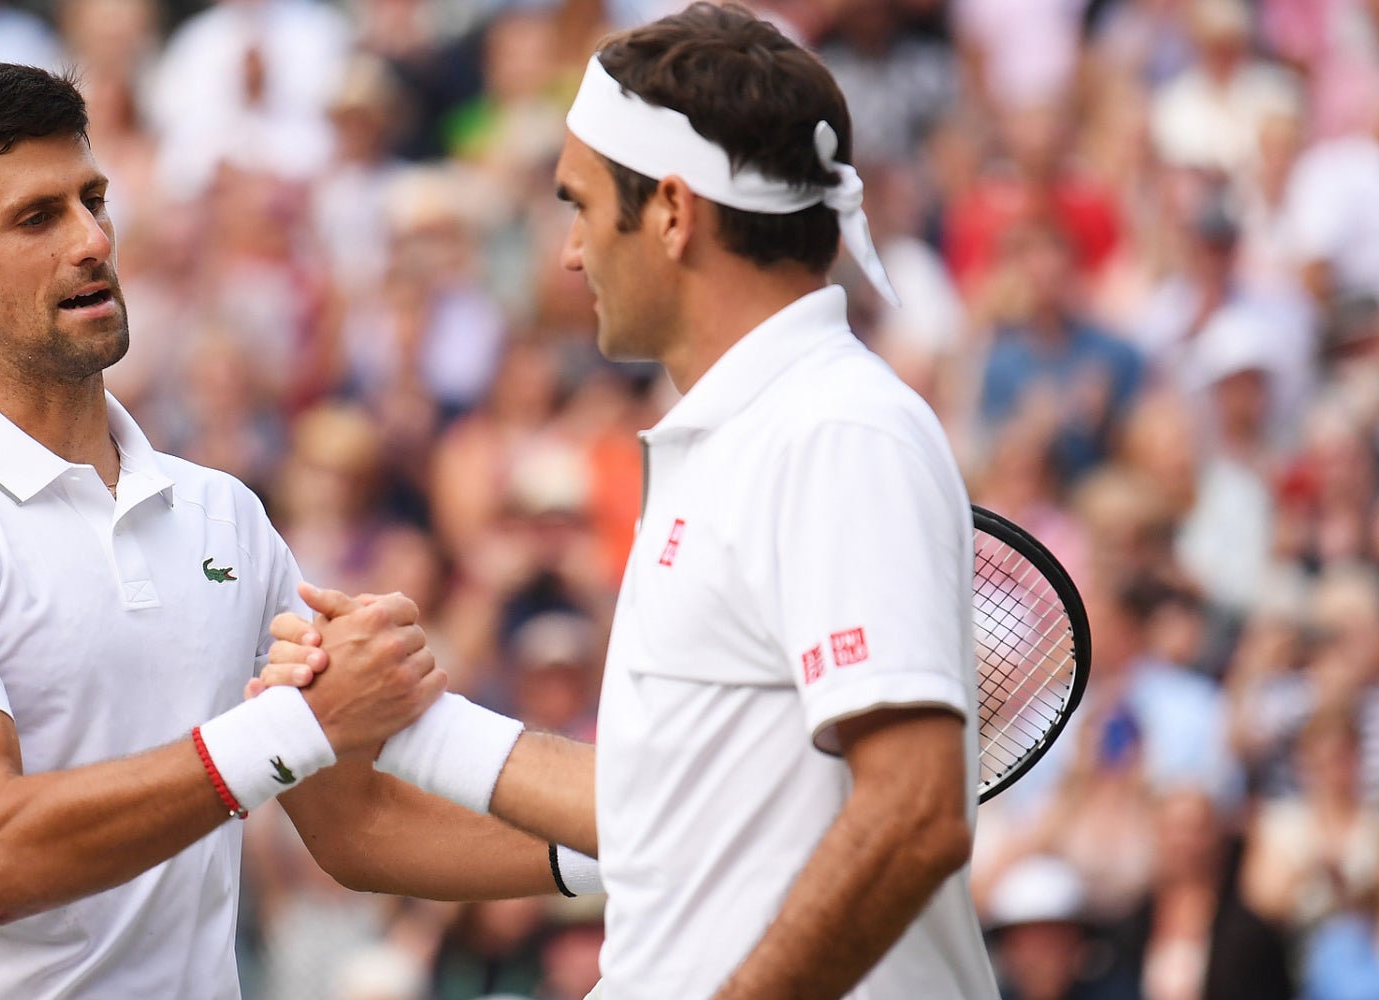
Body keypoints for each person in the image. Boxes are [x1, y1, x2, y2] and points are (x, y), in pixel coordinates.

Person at [263, 5, 998, 997]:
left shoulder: (833, 429)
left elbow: (913, 815)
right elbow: (660, 811)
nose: (567, 253)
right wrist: (398, 714)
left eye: (579, 205)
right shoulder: (748, 432)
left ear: (669, 213)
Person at [0, 62, 566, 999]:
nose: (91, 241)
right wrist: (298, 725)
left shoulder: (223, 515)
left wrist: (642, 859)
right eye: (38, 218)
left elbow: (358, 827)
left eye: (93, 200)